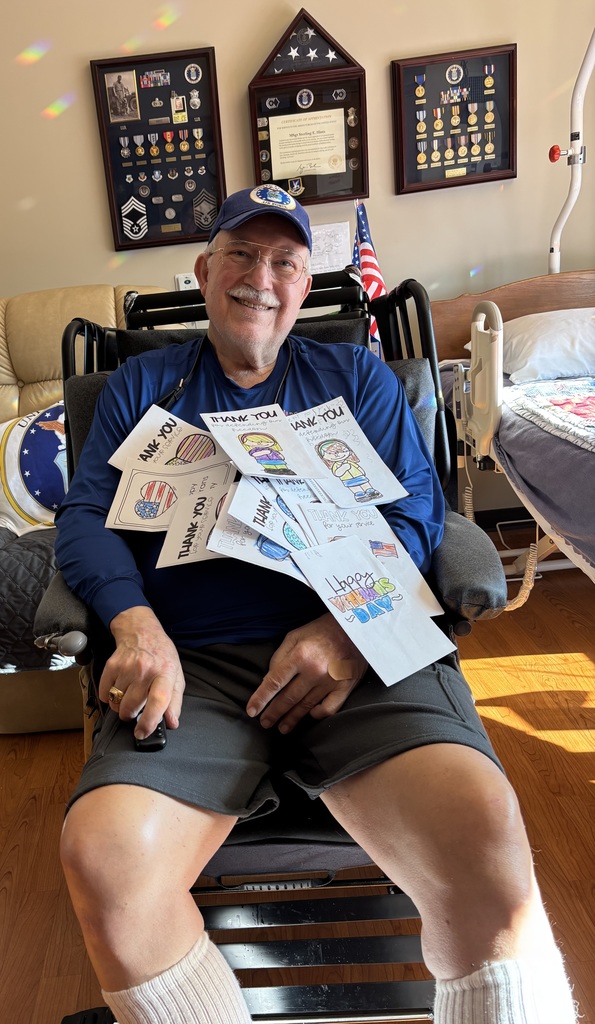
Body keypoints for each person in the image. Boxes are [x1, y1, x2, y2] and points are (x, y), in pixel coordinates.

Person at [55, 185, 577, 1024]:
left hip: (358, 640)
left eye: (284, 262)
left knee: (483, 834)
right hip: (191, 662)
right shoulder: (141, 385)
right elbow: (82, 518)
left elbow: (414, 514)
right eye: (240, 255)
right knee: (104, 862)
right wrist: (133, 620)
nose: (260, 277)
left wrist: (345, 634)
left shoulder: (357, 378)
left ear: (305, 285)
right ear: (203, 268)